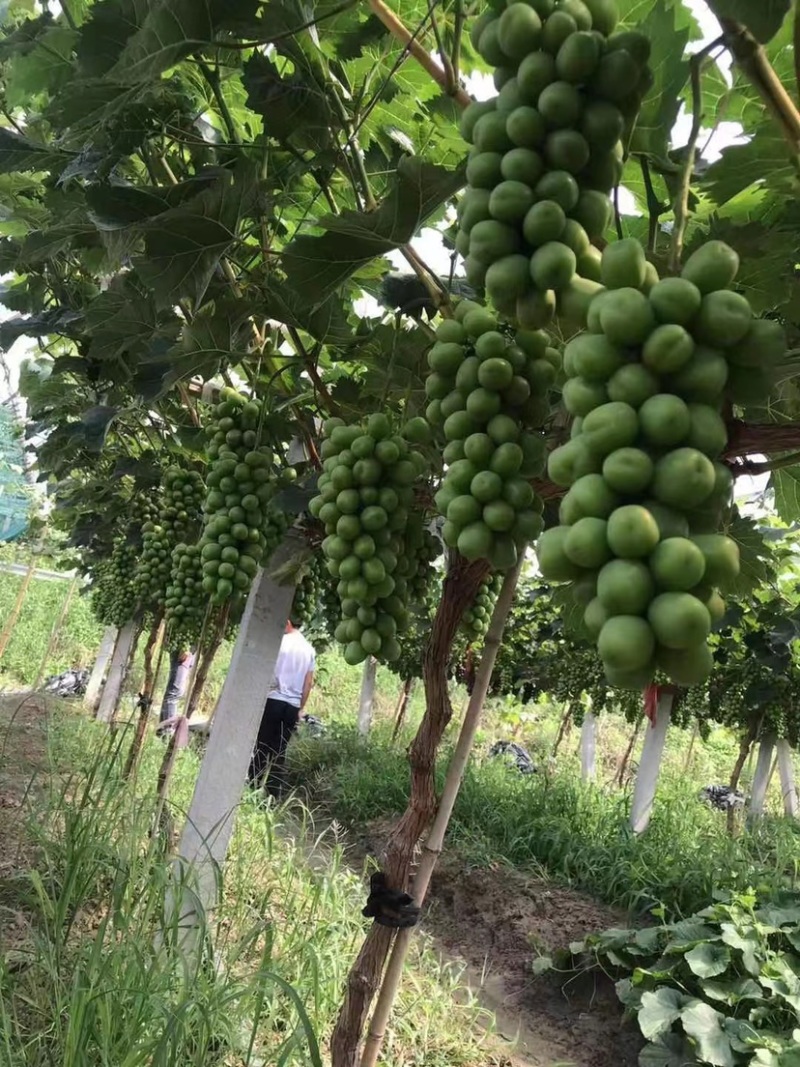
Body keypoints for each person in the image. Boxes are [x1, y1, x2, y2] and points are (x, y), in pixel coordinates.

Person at [248, 621, 316, 797]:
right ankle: (273, 794)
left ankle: (253, 787)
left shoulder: (280, 643)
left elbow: (267, 672)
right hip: (292, 706)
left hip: (273, 700)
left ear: (287, 623)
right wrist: (300, 708)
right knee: (279, 751)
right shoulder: (309, 650)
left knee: (262, 745)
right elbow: (308, 684)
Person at [159, 648, 195, 724]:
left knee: (174, 693)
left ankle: (165, 730)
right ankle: (165, 731)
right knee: (173, 693)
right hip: (182, 652)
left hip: (186, 654)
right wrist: (186, 648)